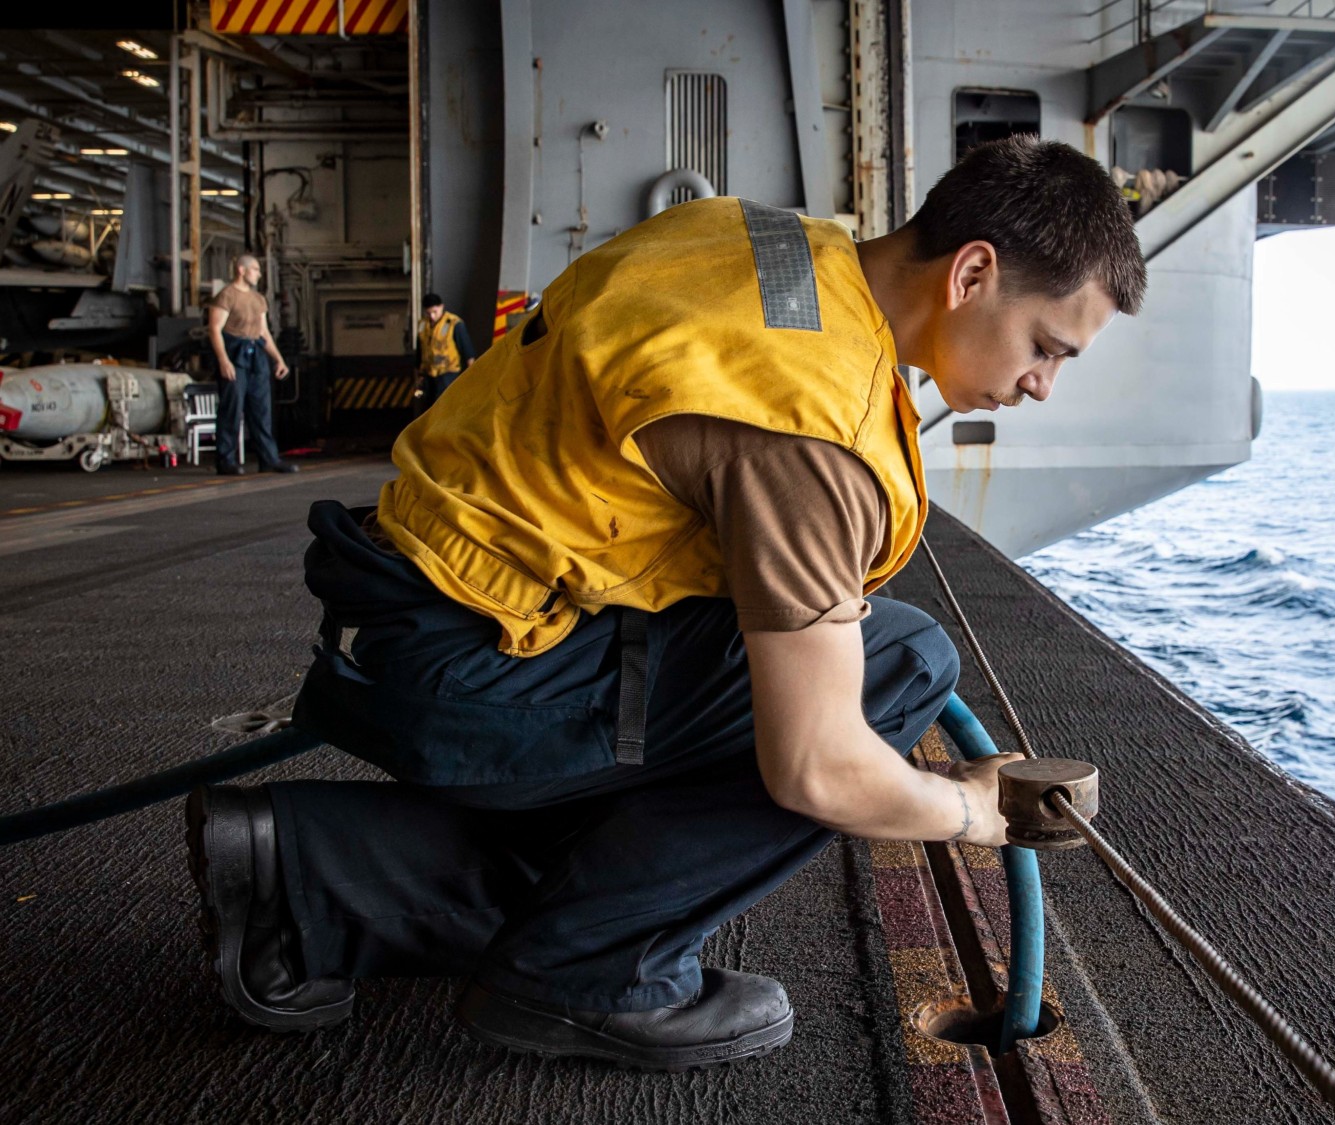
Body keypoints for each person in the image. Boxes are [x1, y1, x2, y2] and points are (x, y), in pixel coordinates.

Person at [182, 137, 1146, 1069]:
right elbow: (819, 769)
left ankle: (298, 865)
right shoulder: (811, 429)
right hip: (467, 666)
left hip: (403, 598)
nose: (1043, 385)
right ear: (971, 273)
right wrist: (971, 810)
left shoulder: (757, 239)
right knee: (901, 666)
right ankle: (594, 972)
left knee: (695, 778)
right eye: (1045, 345)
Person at [204, 255, 298, 475]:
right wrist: (223, 360)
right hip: (235, 355)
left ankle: (269, 459)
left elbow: (263, 332)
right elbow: (215, 329)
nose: (259, 273)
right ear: (241, 270)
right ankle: (226, 460)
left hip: (257, 356)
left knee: (261, 411)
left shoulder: (258, 299)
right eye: (255, 269)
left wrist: (278, 359)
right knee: (232, 410)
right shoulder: (226, 296)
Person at [414, 292, 476, 412]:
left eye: (434, 312)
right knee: (428, 409)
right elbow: (419, 353)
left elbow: (468, 353)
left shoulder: (454, 324)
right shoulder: (422, 325)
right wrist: (418, 376)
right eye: (428, 313)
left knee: (445, 408)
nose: (431, 316)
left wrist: (471, 380)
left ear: (442, 307)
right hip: (428, 375)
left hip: (448, 374)